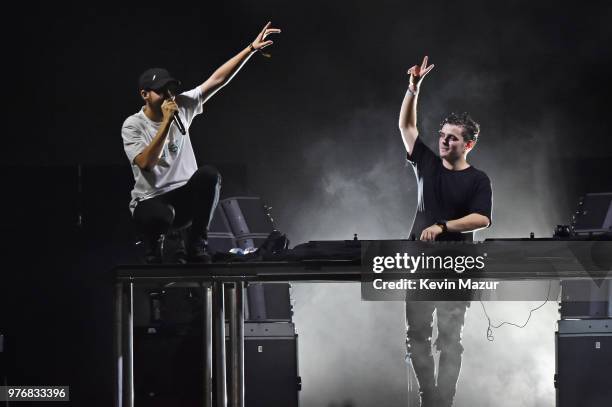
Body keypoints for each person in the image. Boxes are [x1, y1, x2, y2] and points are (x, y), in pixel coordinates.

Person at [121, 22, 281, 264]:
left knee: (209, 175)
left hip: (183, 199)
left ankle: (197, 246)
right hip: (150, 203)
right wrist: (166, 122)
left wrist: (250, 49)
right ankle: (154, 248)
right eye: (160, 91)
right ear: (145, 94)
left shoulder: (183, 104)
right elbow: (145, 163)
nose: (168, 96)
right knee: (162, 214)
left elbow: (217, 80)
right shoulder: (133, 124)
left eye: (170, 90)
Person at [398, 56, 493, 407]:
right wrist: (413, 89)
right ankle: (430, 398)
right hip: (419, 264)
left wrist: (443, 226)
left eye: (452, 139)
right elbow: (407, 128)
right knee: (417, 336)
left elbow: (481, 218)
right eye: (441, 136)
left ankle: (445, 401)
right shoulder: (425, 163)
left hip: (456, 266)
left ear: (468, 145)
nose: (443, 142)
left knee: (450, 340)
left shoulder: (477, 179)